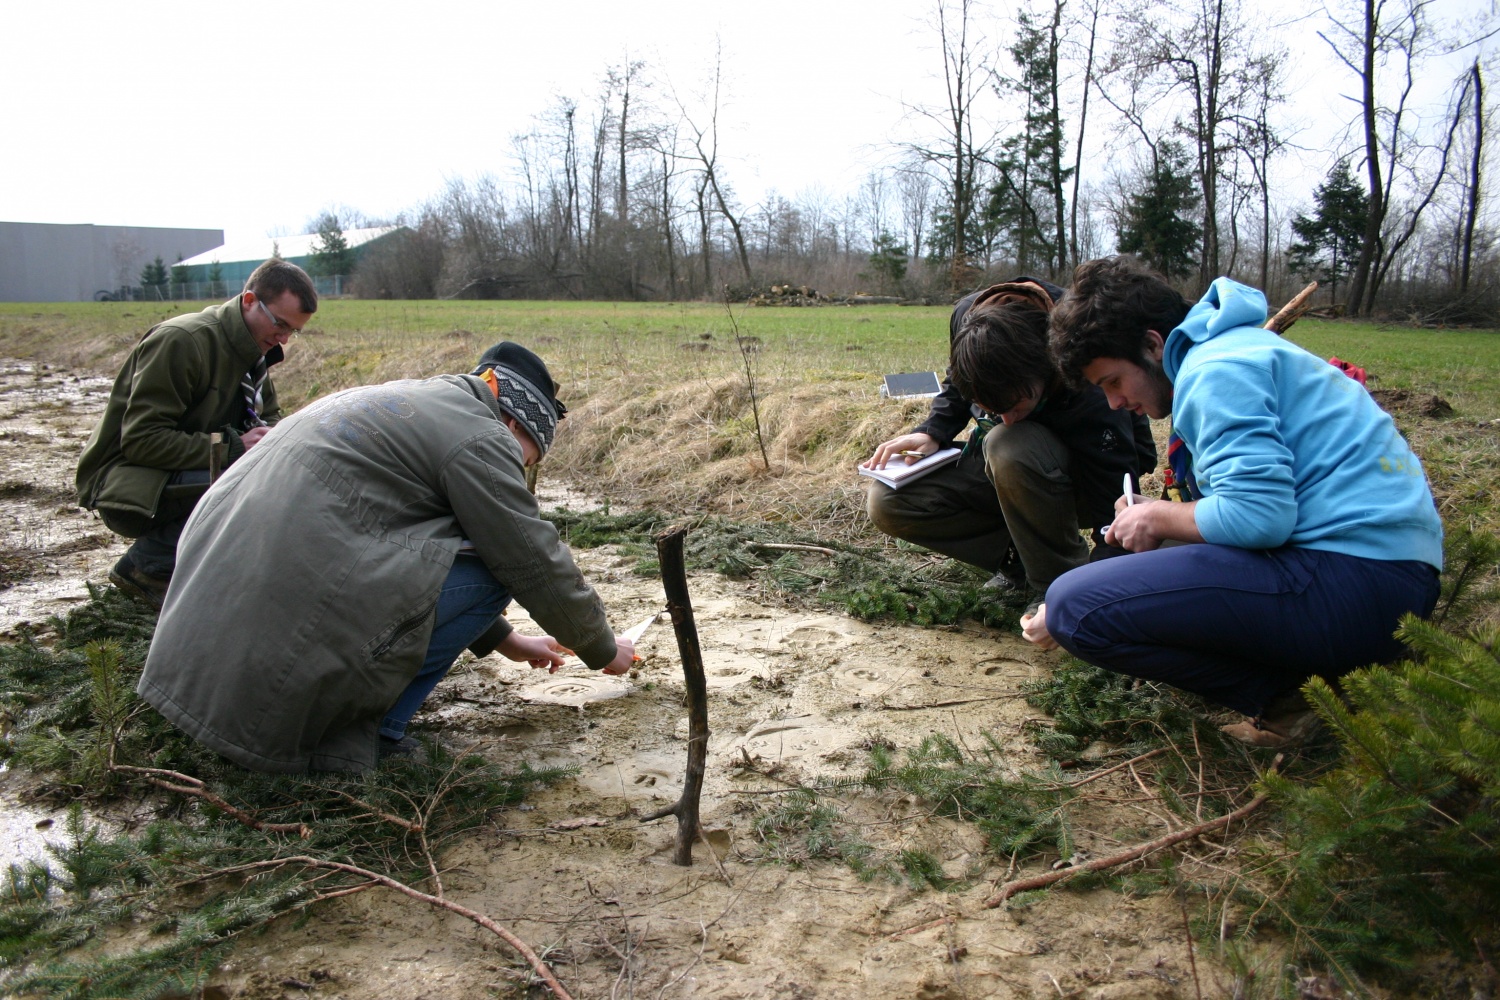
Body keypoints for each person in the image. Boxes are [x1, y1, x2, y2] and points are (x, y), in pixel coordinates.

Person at [135, 342, 637, 773]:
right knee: (496, 561)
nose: (520, 469)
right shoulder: (481, 435)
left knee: (463, 545)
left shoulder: (398, 402)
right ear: (512, 421)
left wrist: (507, 641)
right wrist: (600, 647)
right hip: (267, 678)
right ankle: (368, 735)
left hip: (190, 669)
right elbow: (529, 557)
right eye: (525, 459)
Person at [1033, 255, 1443, 745]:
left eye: (1113, 382)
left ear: (1152, 344)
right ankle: (1310, 676)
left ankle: (1291, 699)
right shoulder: (1238, 349)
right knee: (1128, 568)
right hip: (1388, 580)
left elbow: (1259, 517)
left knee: (1074, 608)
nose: (1115, 403)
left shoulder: (1214, 372)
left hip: (1354, 585)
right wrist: (1156, 515)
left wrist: (1160, 516)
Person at [862, 278, 1156, 607]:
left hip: (1088, 474)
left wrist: (1098, 588)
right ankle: (1020, 563)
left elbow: (1113, 490)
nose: (1006, 418)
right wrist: (933, 430)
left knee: (1009, 443)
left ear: (1045, 369)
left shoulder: (1082, 353)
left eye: (1016, 406)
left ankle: (1058, 586)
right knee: (888, 500)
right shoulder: (969, 317)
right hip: (1014, 469)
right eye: (992, 410)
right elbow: (960, 379)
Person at [76, 259, 317, 608]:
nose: (284, 338)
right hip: (126, 483)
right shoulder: (183, 341)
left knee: (281, 476)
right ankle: (146, 567)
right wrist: (234, 447)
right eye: (280, 323)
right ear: (250, 301)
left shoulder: (253, 349)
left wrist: (277, 437)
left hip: (185, 470)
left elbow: (266, 415)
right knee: (254, 488)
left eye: (293, 330)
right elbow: (141, 440)